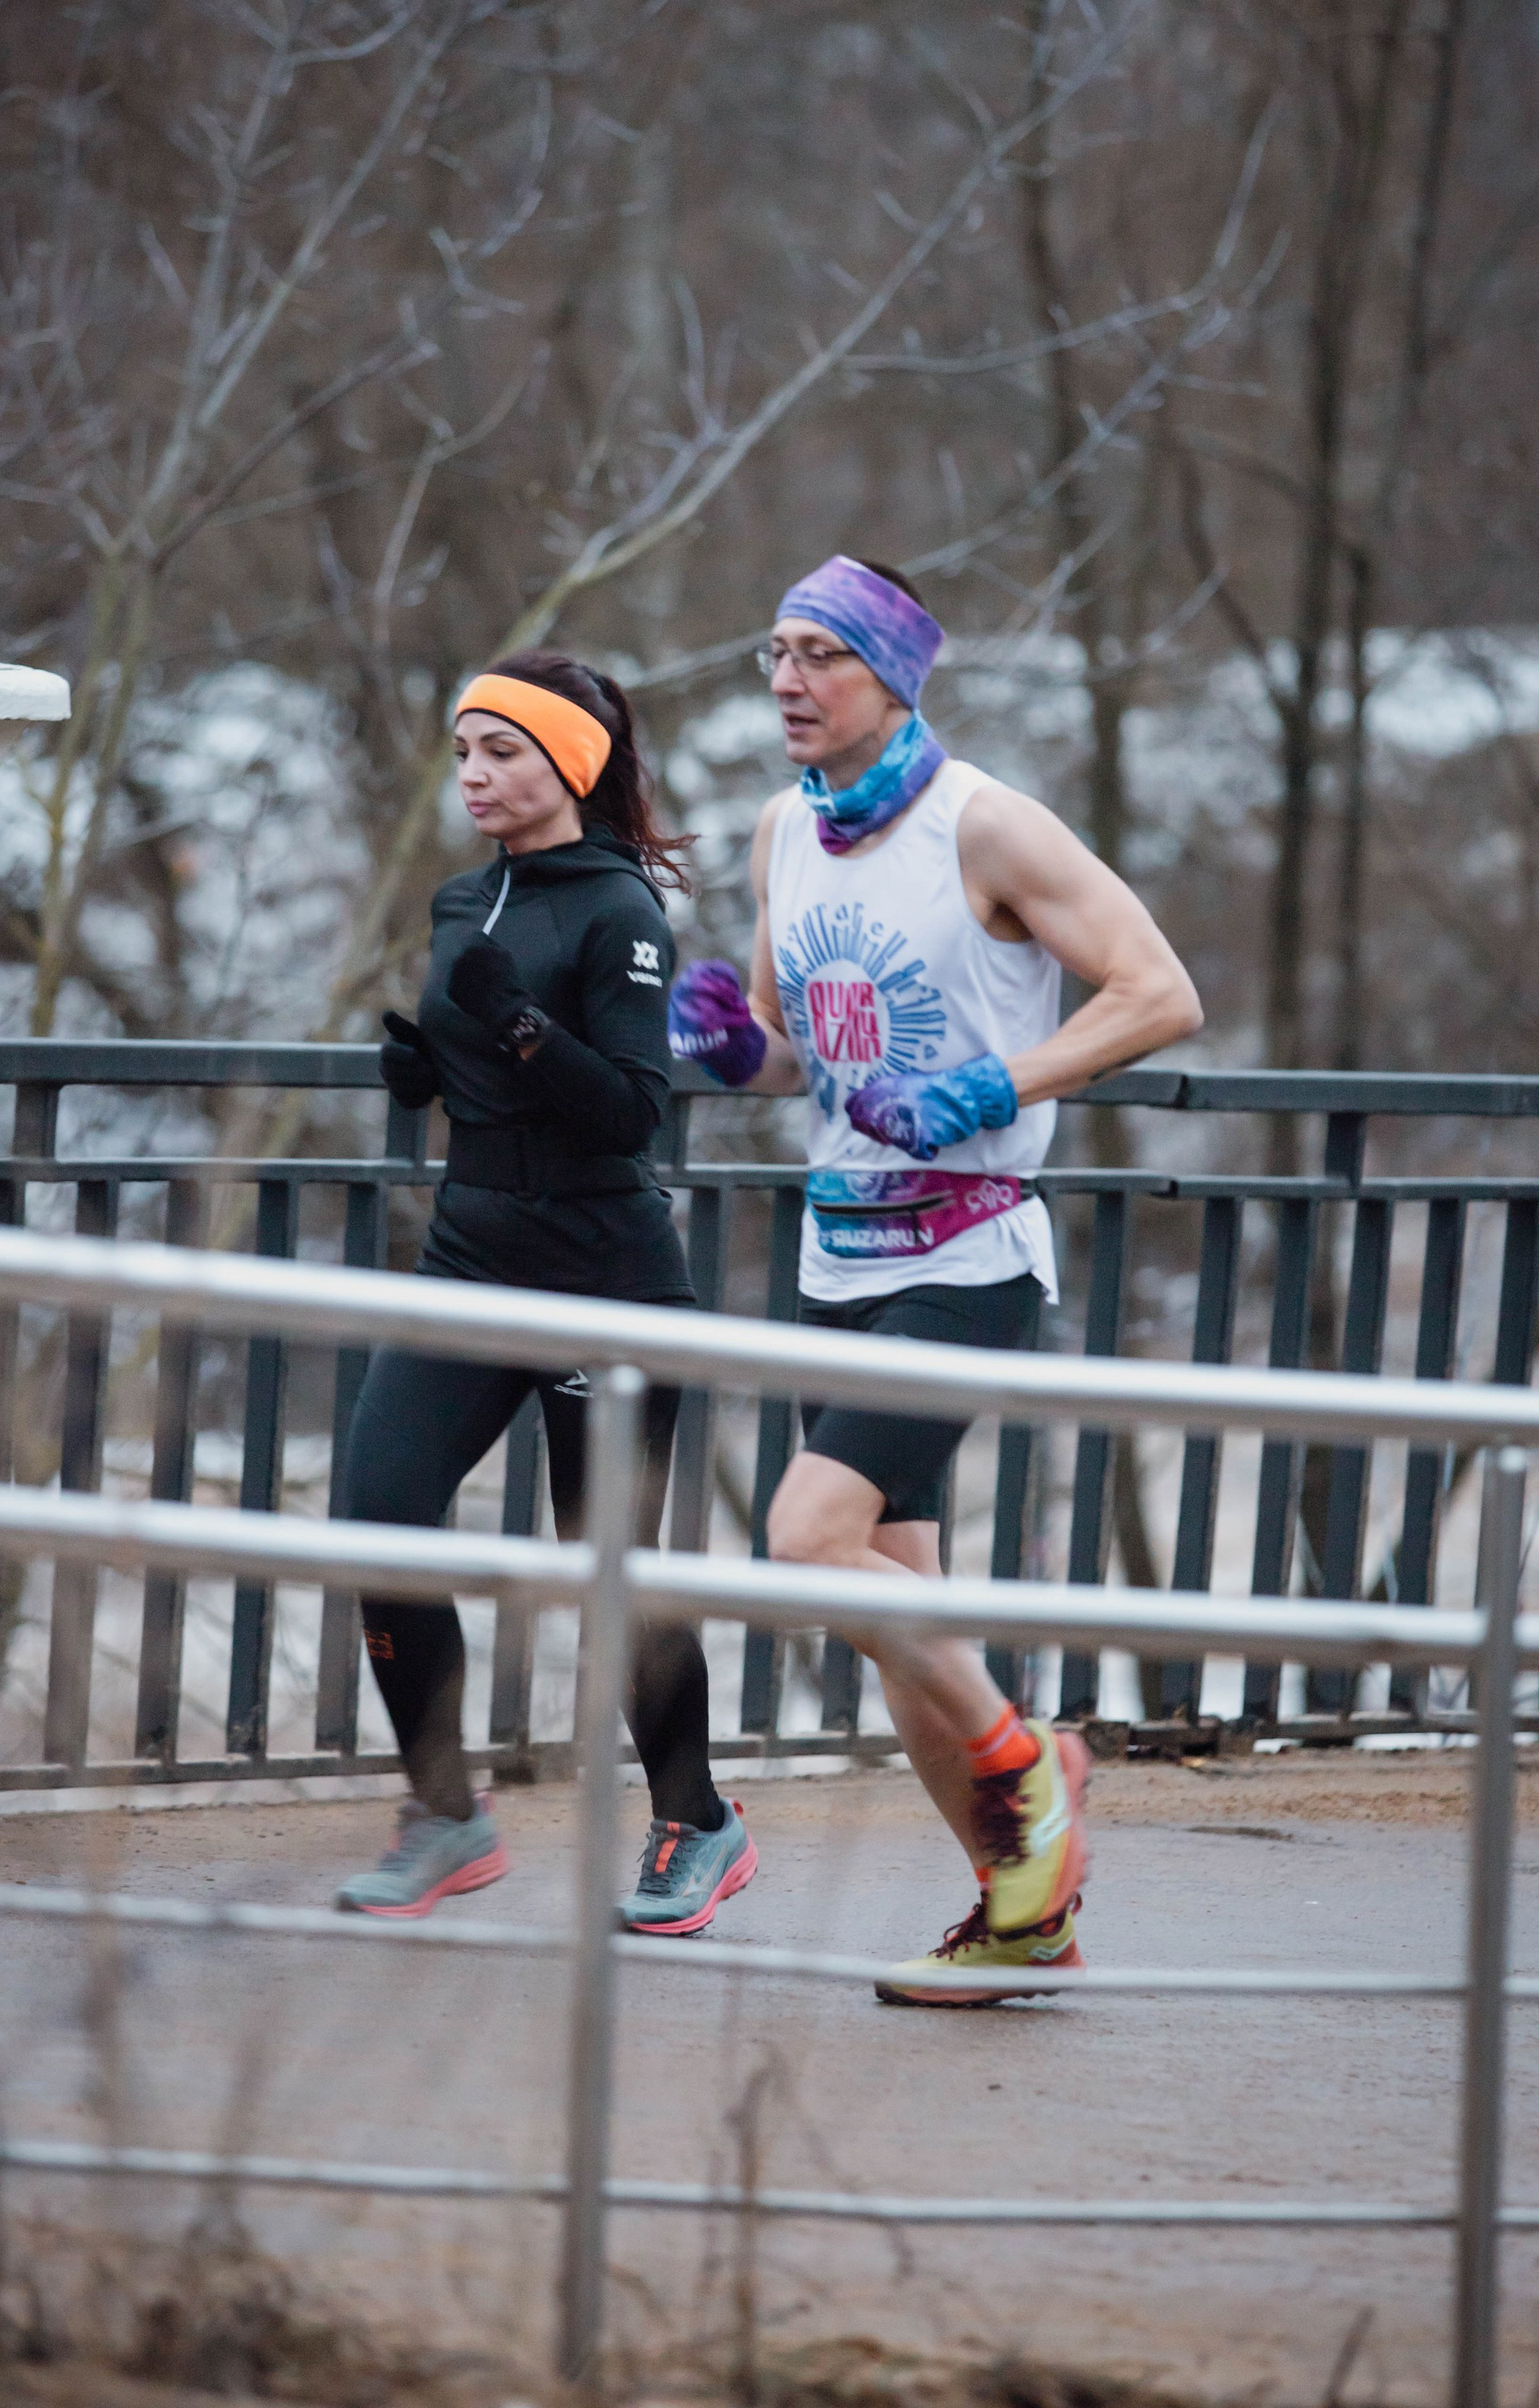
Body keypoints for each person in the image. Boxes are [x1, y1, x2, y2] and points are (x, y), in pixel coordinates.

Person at [670, 557, 1200, 2001]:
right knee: (902, 1632)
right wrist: (736, 1054)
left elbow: (1160, 991)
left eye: (820, 654)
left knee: (802, 1534)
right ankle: (1020, 1908)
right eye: (773, 651)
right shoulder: (787, 827)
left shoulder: (989, 827)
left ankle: (1038, 1779)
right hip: (841, 1252)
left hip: (967, 1257)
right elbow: (796, 1052)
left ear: (895, 675)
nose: (787, 680)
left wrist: (993, 1086)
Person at [334, 650, 756, 1937]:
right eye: (463, 751)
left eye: (502, 751)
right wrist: (437, 1072)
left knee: (607, 1569)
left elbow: (632, 1108)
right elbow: (493, 1057)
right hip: (473, 1255)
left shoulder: (622, 912)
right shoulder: (465, 900)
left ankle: (699, 1819)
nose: (474, 774)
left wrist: (517, 1029)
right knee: (381, 1509)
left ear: (569, 761)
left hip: (601, 1279)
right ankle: (449, 1811)